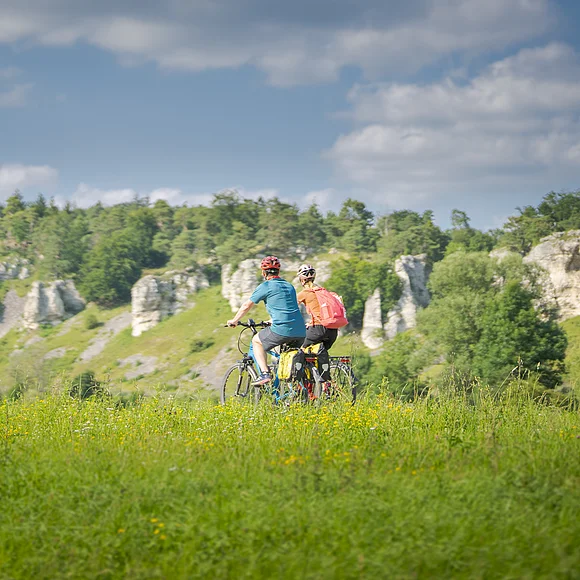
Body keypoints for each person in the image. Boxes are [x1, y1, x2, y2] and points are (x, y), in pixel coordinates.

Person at [226, 256, 306, 385]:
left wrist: (234, 320)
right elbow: (288, 308)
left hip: (282, 329)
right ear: (278, 272)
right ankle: (289, 392)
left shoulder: (266, 286)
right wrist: (273, 320)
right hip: (301, 331)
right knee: (287, 361)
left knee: (257, 341)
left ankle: (264, 374)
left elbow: (247, 305)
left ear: (264, 272)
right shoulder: (289, 286)